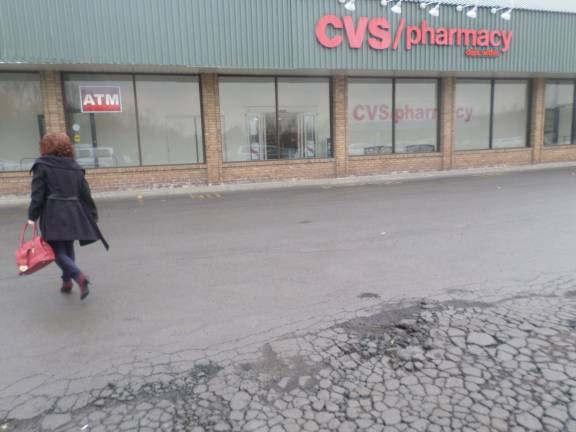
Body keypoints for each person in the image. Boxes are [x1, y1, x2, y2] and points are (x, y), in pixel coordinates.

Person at [27, 133, 109, 300]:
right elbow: (85, 193)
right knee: (67, 247)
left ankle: (78, 276)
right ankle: (66, 282)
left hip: (53, 212)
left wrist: (32, 216)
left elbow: (37, 195)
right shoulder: (75, 167)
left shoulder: (42, 165)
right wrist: (92, 214)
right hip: (74, 212)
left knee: (55, 250)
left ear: (46, 147)